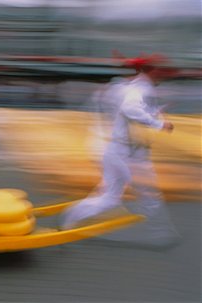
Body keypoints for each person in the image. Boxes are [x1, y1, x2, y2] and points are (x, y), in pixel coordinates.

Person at [61, 54, 180, 246]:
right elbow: (130, 109)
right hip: (122, 153)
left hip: (117, 150)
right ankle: (160, 233)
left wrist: (156, 115)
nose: (164, 74)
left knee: (111, 198)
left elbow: (129, 111)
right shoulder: (140, 88)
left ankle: (73, 217)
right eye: (161, 70)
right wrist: (159, 124)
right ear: (150, 70)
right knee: (146, 192)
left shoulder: (131, 87)